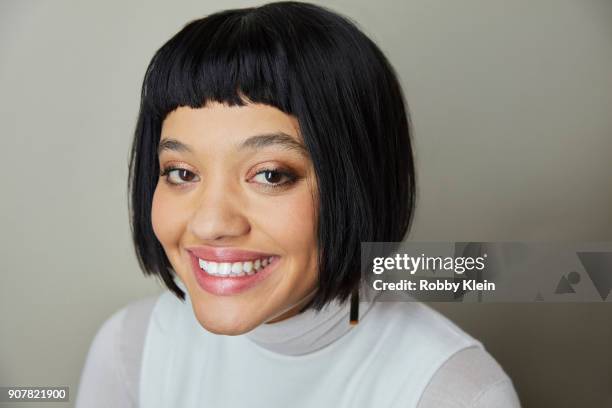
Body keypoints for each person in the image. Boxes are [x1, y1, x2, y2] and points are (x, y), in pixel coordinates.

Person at [75, 2, 521, 407]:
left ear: (358, 185)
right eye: (181, 173)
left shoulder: (455, 393)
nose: (211, 223)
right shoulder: (130, 349)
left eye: (270, 175)